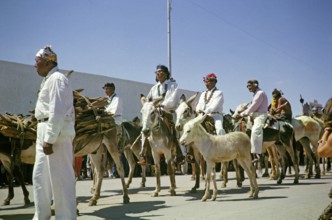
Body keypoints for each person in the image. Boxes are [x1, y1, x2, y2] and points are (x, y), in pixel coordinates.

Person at [33, 45, 76, 219]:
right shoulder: (48, 80)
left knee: (61, 179)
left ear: (48, 62)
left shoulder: (57, 79)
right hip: (43, 129)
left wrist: (49, 139)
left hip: (56, 134)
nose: (35, 65)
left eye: (38, 62)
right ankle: (41, 216)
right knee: (39, 177)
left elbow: (57, 110)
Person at [140, 64, 184, 165]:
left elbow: (172, 100)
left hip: (167, 112)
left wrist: (160, 105)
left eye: (161, 72)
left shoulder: (173, 85)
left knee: (175, 131)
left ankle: (180, 154)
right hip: (155, 113)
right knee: (145, 128)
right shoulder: (154, 88)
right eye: (157, 72)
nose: (158, 74)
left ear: (166, 74)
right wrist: (148, 105)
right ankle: (144, 154)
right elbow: (148, 100)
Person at [238, 80, 268, 162]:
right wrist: (243, 113)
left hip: (260, 115)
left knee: (255, 130)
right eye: (247, 86)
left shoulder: (260, 93)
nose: (248, 88)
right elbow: (251, 107)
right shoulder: (255, 94)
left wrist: (243, 114)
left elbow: (254, 106)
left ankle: (258, 154)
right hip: (254, 115)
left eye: (250, 86)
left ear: (255, 85)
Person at [103, 82, 123, 178]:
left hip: (115, 120)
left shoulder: (116, 99)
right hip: (106, 121)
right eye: (105, 89)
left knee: (115, 140)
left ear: (112, 89)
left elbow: (113, 110)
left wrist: (103, 113)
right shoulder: (106, 99)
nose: (106, 91)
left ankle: (118, 145)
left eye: (107, 89)